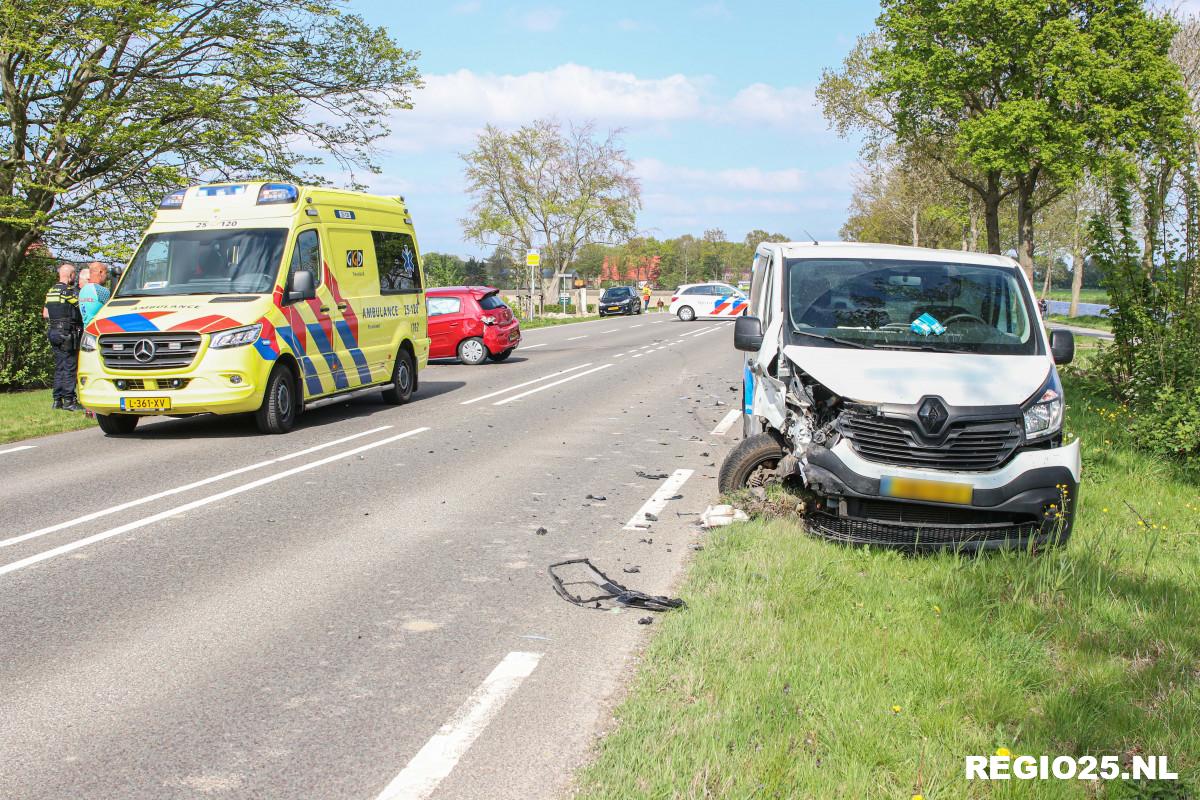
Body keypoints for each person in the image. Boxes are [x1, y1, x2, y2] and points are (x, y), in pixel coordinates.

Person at [43, 263, 83, 411]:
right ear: (71, 275)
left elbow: (45, 313)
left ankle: (57, 400)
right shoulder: (66, 292)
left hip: (53, 331)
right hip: (66, 332)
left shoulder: (51, 291)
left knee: (59, 366)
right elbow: (80, 307)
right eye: (74, 275)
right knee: (69, 366)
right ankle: (69, 400)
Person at [79, 261, 110, 325]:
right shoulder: (100, 290)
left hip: (87, 330)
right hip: (98, 330)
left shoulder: (82, 290)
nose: (106, 276)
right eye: (106, 273)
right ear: (100, 272)